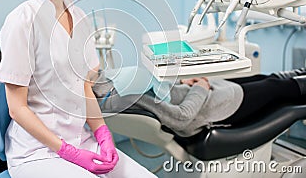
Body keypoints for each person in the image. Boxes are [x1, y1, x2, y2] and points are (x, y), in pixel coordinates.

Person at [0, 0, 157, 178]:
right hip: (37, 152)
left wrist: (103, 134)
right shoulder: (21, 21)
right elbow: (17, 108)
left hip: (80, 139)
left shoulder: (79, 16)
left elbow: (85, 87)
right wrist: (68, 152)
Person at [93, 67, 306, 137]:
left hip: (209, 93)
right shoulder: (124, 94)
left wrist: (183, 82)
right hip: (218, 106)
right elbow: (180, 118)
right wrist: (199, 88)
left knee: (266, 79)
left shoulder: (112, 84)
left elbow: (157, 90)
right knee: (280, 88)